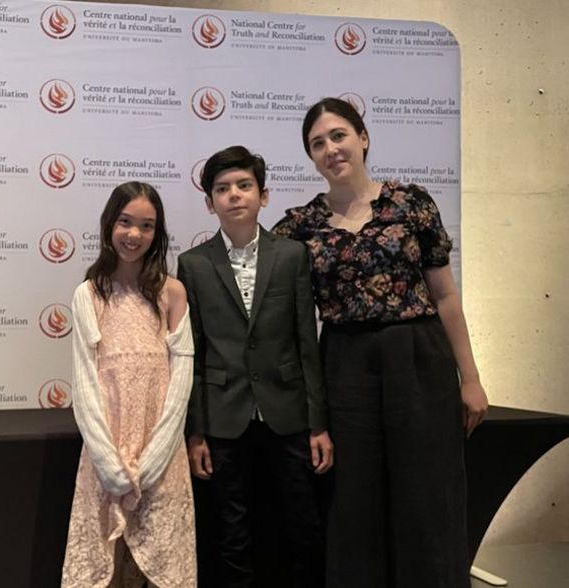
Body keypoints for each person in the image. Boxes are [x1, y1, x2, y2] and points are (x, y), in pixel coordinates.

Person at [272, 97, 489, 588]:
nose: (331, 149)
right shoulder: (299, 226)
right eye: (318, 143)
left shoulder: (412, 204)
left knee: (428, 495)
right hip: (345, 366)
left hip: (418, 358)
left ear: (363, 138)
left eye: (339, 135)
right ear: (311, 157)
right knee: (354, 500)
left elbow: (446, 297)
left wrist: (471, 377)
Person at [177, 145, 332, 587]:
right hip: (224, 417)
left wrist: (318, 425)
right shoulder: (193, 265)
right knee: (232, 532)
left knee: (302, 525)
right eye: (222, 188)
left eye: (244, 185)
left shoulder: (292, 256)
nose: (234, 195)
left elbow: (306, 344)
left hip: (288, 414)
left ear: (263, 195)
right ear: (210, 202)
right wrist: (196, 431)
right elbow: (194, 354)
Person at [62, 182, 196, 587]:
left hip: (162, 450)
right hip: (108, 448)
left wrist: (156, 455)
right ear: (109, 224)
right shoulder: (88, 294)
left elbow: (181, 377)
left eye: (146, 226)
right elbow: (85, 381)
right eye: (125, 222)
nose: (134, 234)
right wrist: (108, 463)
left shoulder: (172, 293)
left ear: (157, 233)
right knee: (104, 563)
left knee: (162, 559)